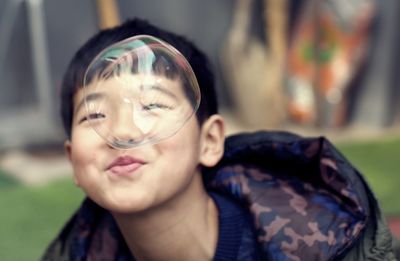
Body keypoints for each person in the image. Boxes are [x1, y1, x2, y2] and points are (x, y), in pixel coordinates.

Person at [43, 18, 399, 261]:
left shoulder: (328, 244)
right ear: (73, 160)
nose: (121, 132)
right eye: (94, 115)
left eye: (151, 104)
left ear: (210, 141)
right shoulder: (76, 252)